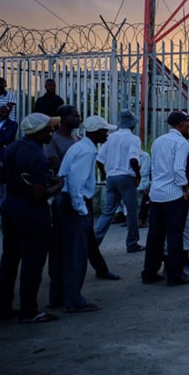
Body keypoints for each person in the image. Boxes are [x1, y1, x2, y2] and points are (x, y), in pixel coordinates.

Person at [0, 113, 63, 323]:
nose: (52, 132)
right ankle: (29, 310)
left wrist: (44, 176)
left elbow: (7, 178)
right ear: (38, 132)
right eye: (49, 129)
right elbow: (39, 194)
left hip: (11, 207)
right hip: (32, 212)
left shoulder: (13, 148)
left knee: (10, 259)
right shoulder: (36, 155)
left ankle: (3, 308)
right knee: (32, 261)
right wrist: (58, 184)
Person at [44, 105, 120, 286]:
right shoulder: (60, 141)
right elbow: (72, 179)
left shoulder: (78, 140)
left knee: (85, 240)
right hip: (72, 196)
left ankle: (98, 269)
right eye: (75, 116)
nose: (78, 119)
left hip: (72, 195)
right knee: (69, 246)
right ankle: (65, 287)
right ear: (64, 118)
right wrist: (80, 207)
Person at [57, 115, 117, 313]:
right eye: (104, 131)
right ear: (96, 132)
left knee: (68, 252)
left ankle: (62, 296)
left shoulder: (80, 146)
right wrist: (81, 209)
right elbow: (76, 182)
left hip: (67, 201)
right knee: (77, 255)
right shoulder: (86, 151)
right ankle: (74, 300)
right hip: (75, 203)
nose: (107, 134)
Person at [142, 111, 189, 286]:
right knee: (174, 235)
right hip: (174, 195)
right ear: (180, 124)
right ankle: (175, 274)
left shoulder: (158, 141)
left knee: (155, 235)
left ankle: (149, 272)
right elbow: (179, 169)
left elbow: (154, 168)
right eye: (188, 123)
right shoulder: (181, 143)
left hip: (157, 194)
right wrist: (185, 188)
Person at [94, 109, 144, 253]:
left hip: (111, 177)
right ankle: (132, 243)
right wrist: (138, 175)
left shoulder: (111, 138)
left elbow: (99, 159)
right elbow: (133, 159)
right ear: (132, 125)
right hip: (126, 177)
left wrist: (104, 173)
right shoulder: (134, 139)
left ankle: (95, 241)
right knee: (132, 211)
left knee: (108, 211)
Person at [0, 106, 17, 213]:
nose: (4, 113)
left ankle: (8, 203)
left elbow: (8, 138)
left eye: (6, 112)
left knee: (7, 179)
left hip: (5, 154)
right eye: (2, 111)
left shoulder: (13, 124)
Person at [137, 149, 151, 228]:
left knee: (147, 197)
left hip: (144, 181)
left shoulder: (145, 156)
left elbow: (144, 171)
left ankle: (141, 219)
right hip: (135, 181)